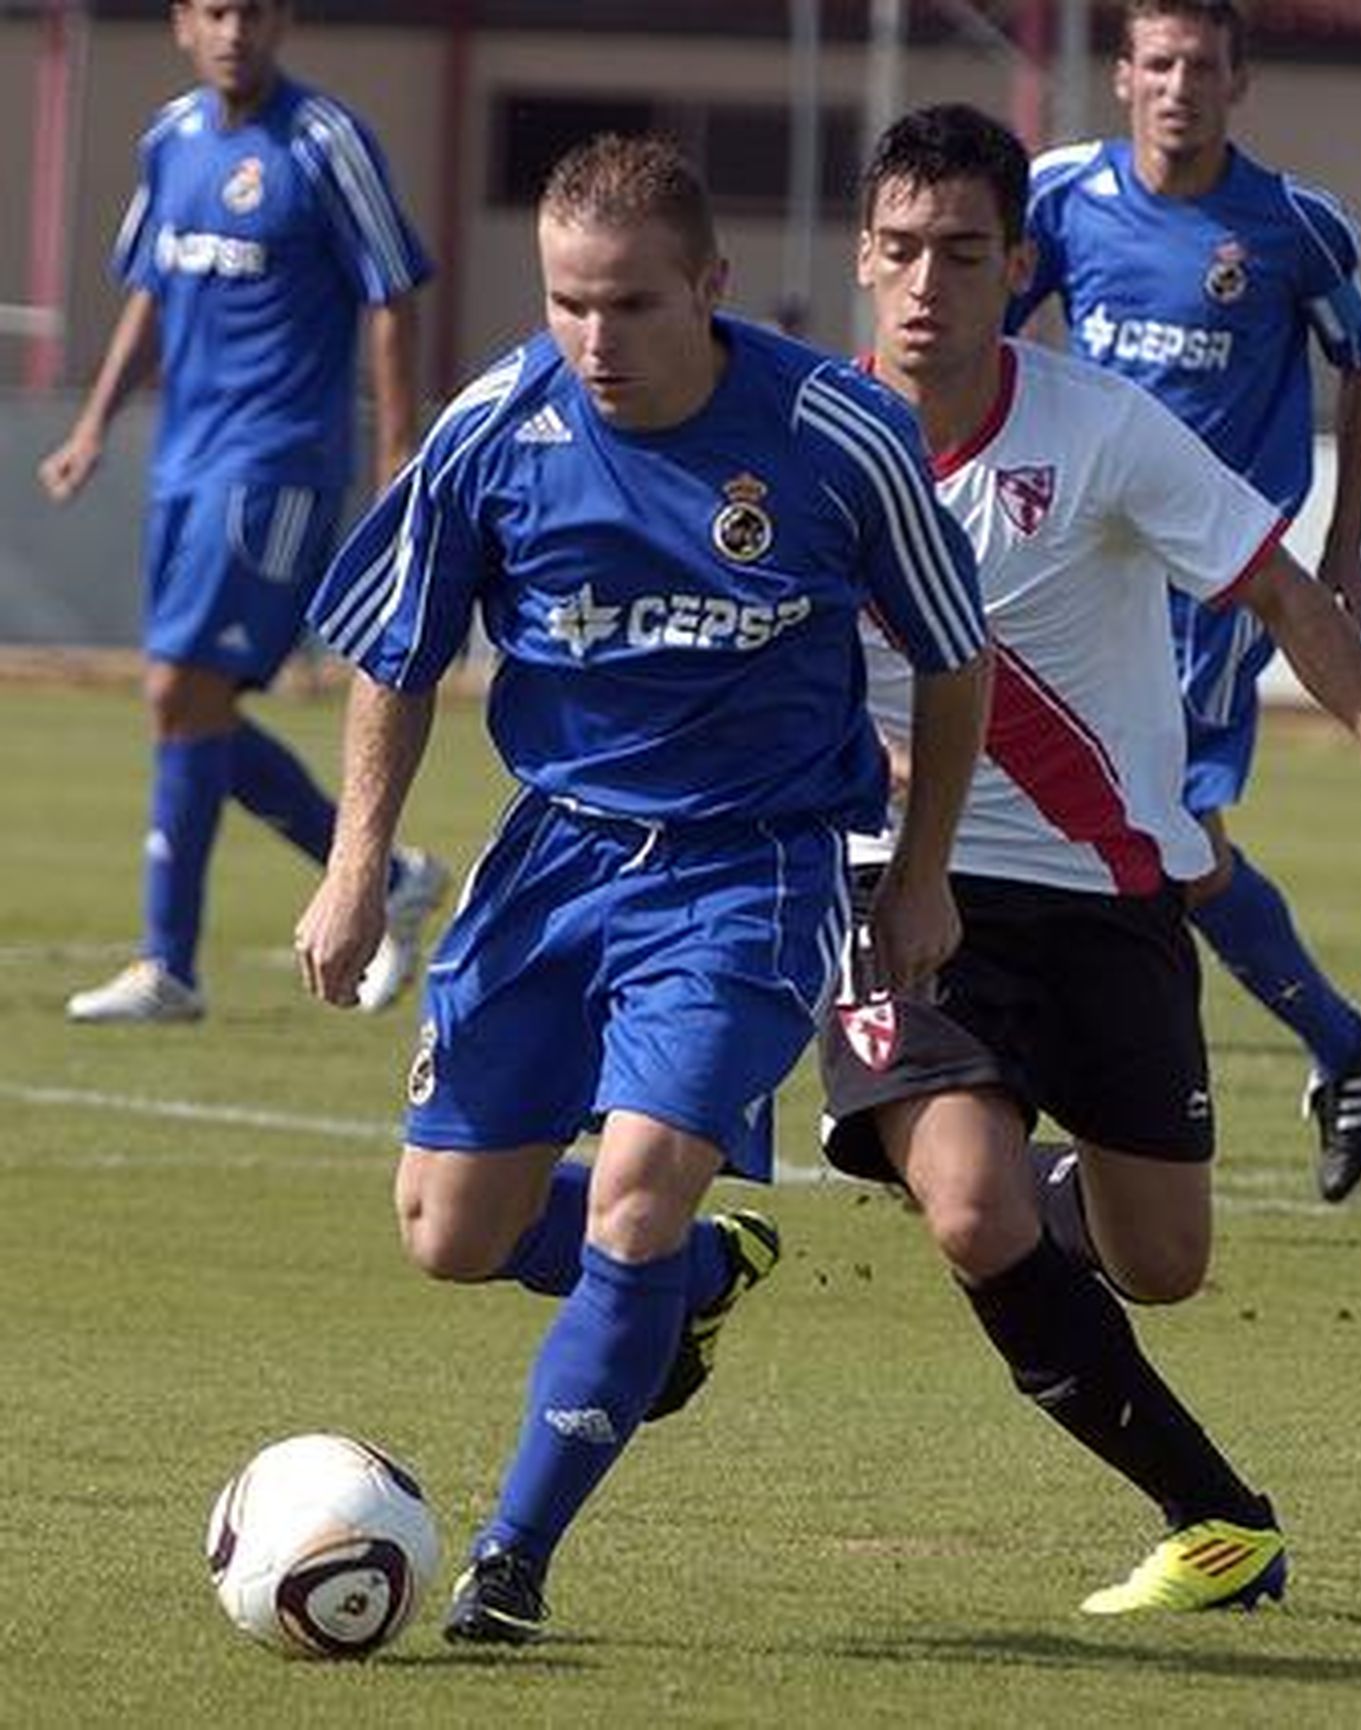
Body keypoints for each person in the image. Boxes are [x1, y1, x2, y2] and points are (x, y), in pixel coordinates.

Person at [294, 132, 992, 1645]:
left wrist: (920, 872)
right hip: (552, 857)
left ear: (711, 288)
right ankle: (692, 1280)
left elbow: (953, 654)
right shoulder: (496, 428)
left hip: (752, 867)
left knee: (635, 1189)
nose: (594, 340)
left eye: (629, 305)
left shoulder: (834, 433)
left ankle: (509, 1560)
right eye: (567, 304)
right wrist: (356, 866)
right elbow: (393, 655)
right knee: (451, 1231)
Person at [826, 103, 1361, 1615]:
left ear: (1019, 267)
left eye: (961, 252)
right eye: (898, 250)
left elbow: (1275, 589)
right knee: (967, 1208)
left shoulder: (1102, 430)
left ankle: (1036, 1177)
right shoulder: (809, 441)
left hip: (1111, 896)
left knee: (1164, 1261)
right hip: (910, 887)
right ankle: (1219, 1515)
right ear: (860, 260)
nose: (926, 282)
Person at [1009, 0, 1361, 1202]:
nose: (1177, 85)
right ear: (1123, 75)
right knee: (1141, 839)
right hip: (1078, 570)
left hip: (1211, 590)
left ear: (1239, 85)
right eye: (1158, 63)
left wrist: (1342, 542)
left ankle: (1102, 1086)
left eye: (1201, 67)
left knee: (1161, 839)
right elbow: (994, 338)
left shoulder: (1291, 227)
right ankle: (1341, 1042)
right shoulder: (1058, 198)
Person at [37, 0, 445, 1024]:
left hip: (275, 464)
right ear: (183, 23)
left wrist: (398, 458)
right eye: (216, 10)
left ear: (283, 22)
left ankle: (169, 963)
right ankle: (382, 873)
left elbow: (391, 290)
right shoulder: (169, 139)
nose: (235, 31)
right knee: (183, 701)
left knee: (183, 684)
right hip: (185, 458)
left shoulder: (325, 141)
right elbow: (149, 288)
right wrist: (93, 425)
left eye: (254, 12)